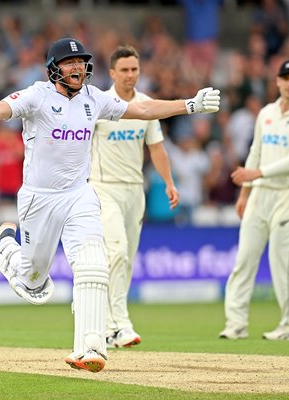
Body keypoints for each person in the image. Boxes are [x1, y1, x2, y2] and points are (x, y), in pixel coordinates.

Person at [0, 37, 220, 372]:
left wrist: (190, 105)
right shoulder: (37, 95)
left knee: (94, 264)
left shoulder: (94, 99)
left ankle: (90, 348)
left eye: (81, 61)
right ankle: (6, 245)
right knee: (33, 283)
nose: (79, 67)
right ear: (54, 69)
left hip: (80, 194)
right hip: (39, 198)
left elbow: (143, 109)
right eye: (71, 62)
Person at [218, 60, 289, 340]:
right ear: (277, 81)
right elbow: (255, 151)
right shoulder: (266, 113)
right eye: (285, 77)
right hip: (260, 193)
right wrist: (245, 191)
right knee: (245, 257)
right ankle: (236, 323)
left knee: (281, 259)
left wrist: (257, 173)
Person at [89, 45, 179, 349]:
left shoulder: (146, 106)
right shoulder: (100, 103)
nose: (131, 75)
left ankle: (108, 326)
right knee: (117, 252)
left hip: (134, 191)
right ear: (112, 73)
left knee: (126, 261)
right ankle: (119, 324)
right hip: (103, 187)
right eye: (124, 70)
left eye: (135, 69)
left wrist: (168, 182)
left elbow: (156, 147)